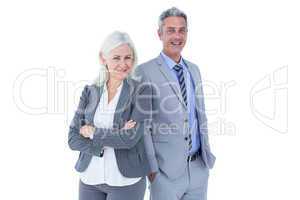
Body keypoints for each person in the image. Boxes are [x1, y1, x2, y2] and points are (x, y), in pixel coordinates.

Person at [135, 7, 216, 200]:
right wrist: (152, 170)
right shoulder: (144, 72)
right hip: (165, 174)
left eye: (182, 30)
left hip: (198, 168)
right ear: (159, 34)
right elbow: (142, 126)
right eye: (171, 30)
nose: (177, 36)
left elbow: (199, 115)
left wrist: (206, 161)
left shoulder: (194, 70)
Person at [68, 31, 152, 200]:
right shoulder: (90, 91)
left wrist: (92, 132)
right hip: (89, 179)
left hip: (125, 181)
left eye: (128, 57)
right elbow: (72, 138)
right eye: (116, 58)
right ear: (103, 58)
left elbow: (129, 139)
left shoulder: (141, 91)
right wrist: (109, 139)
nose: (123, 64)